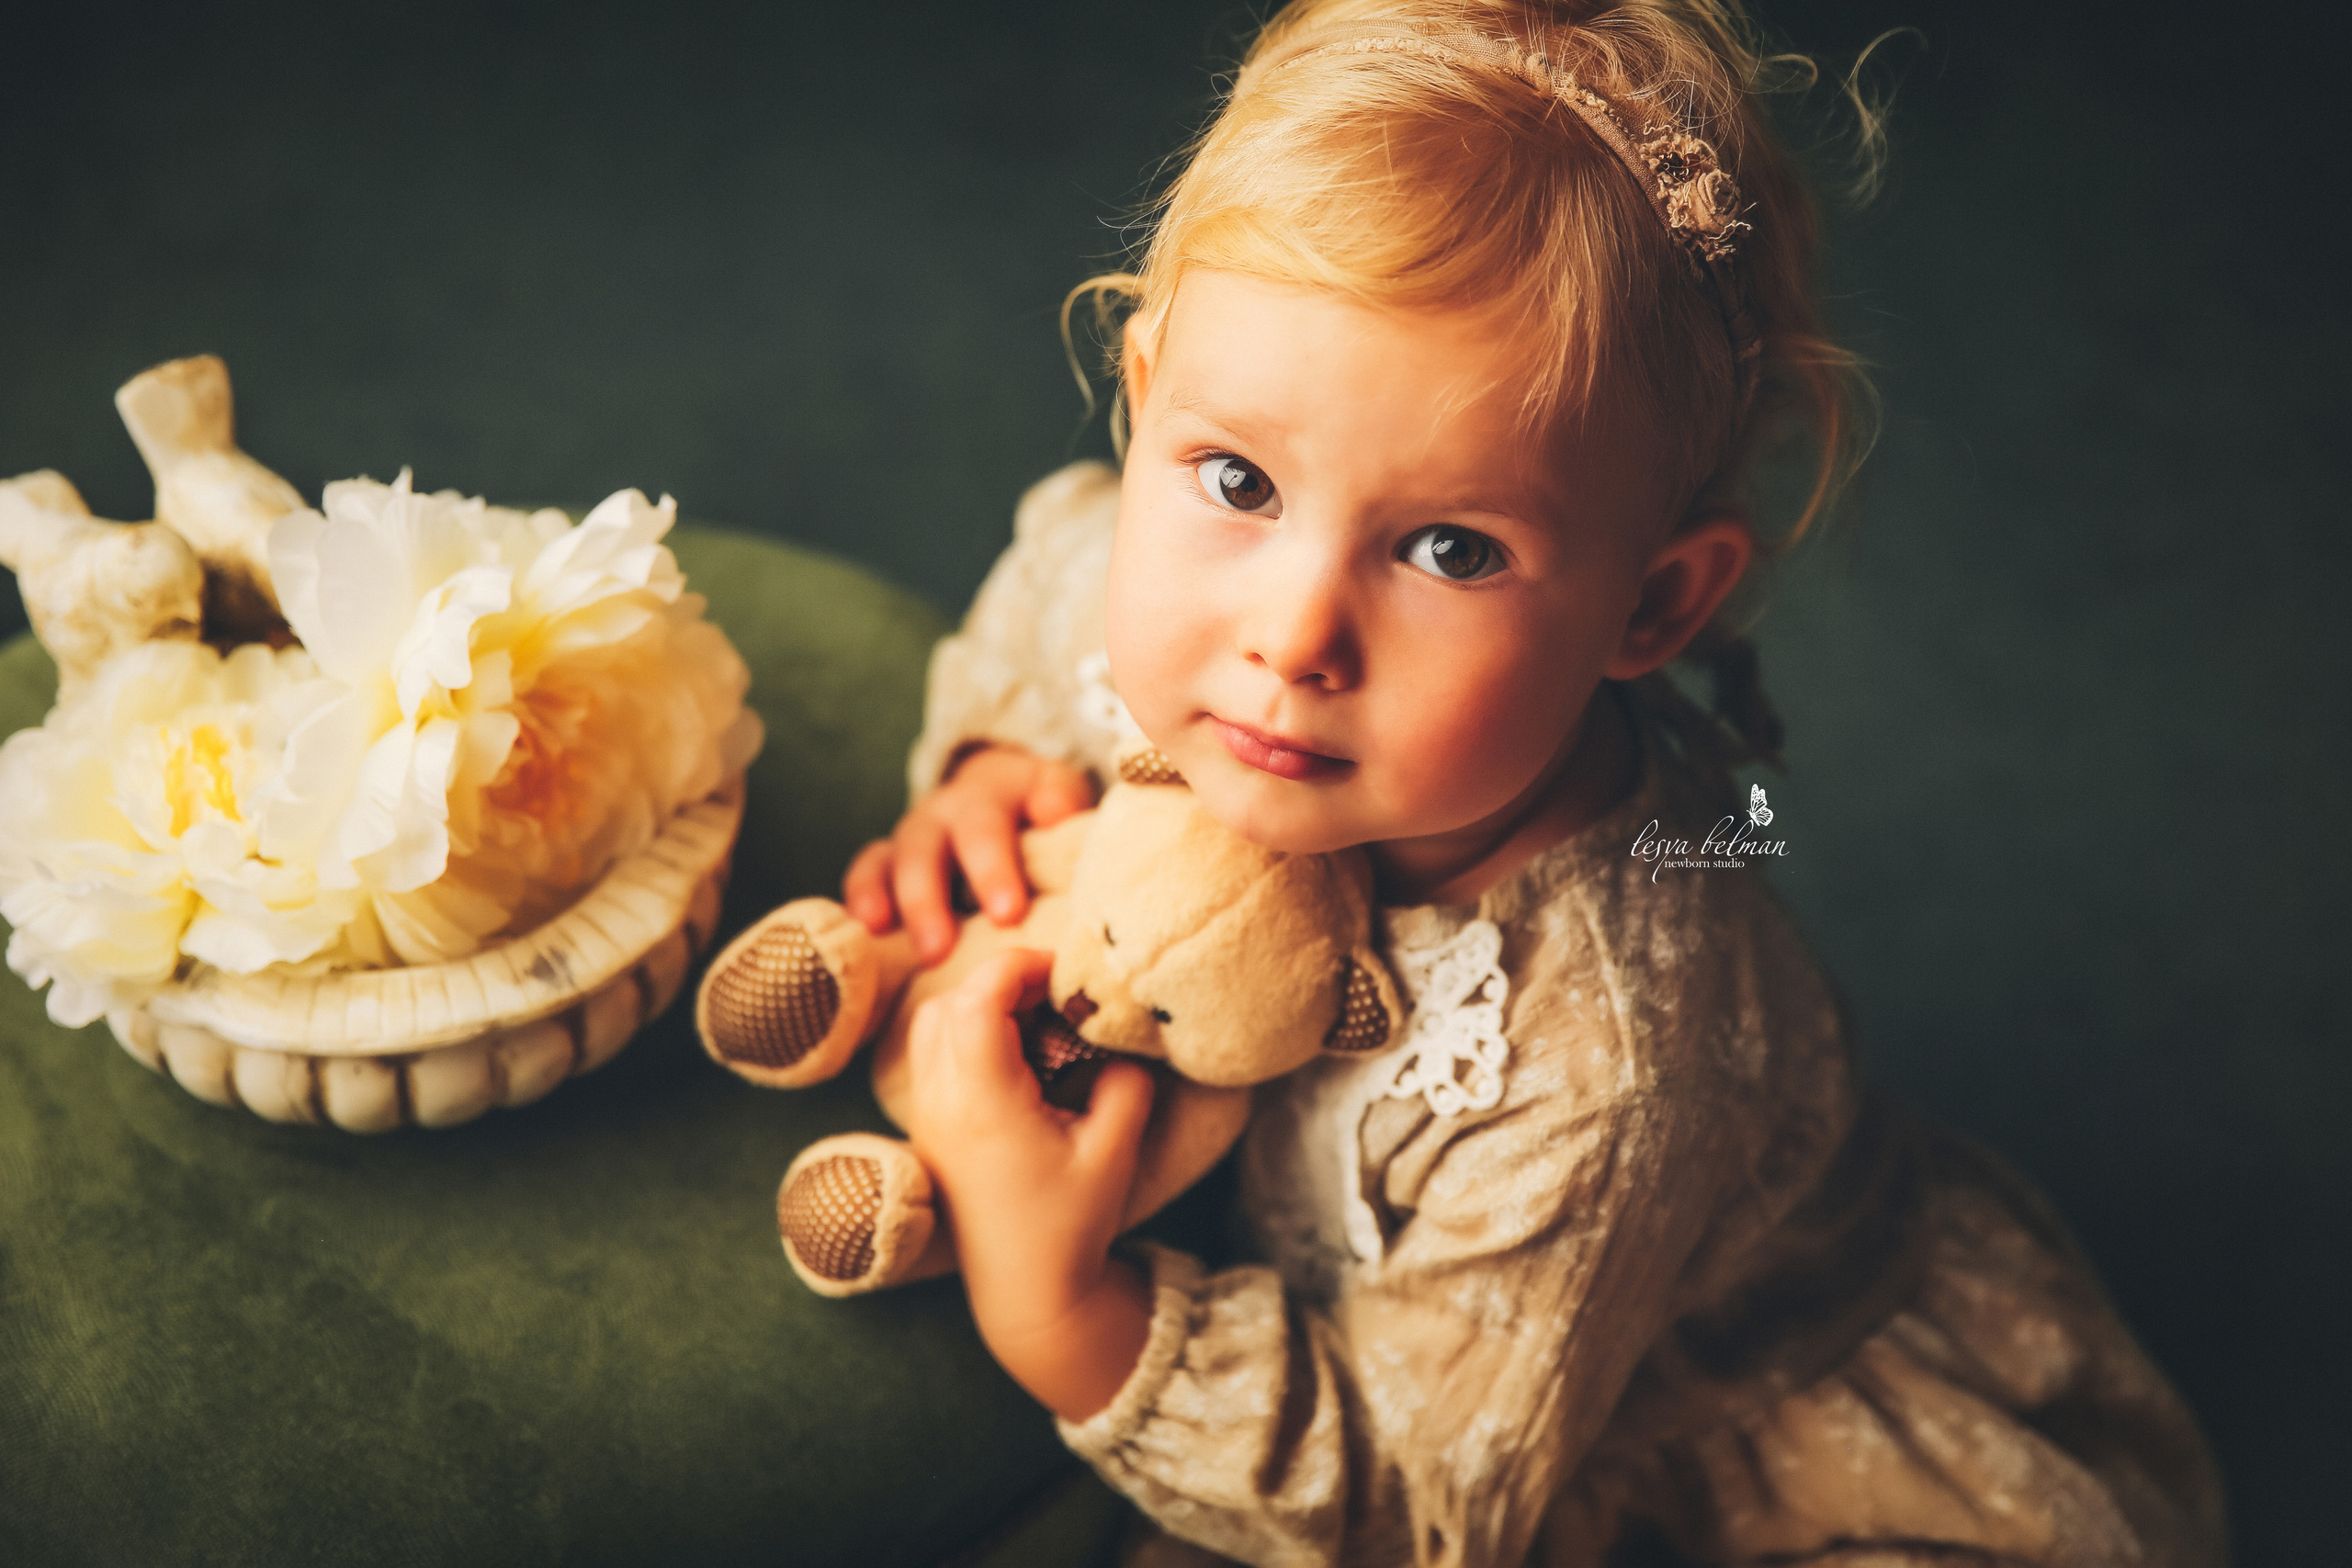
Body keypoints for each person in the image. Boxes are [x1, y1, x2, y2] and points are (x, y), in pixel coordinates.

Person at [844, 3, 2228, 1562]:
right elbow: (1054, 574)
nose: (1291, 637)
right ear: (1151, 393)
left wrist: (1066, 1311)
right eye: (1238, 480)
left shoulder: (1607, 1059)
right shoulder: (1157, 576)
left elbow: (1429, 1500)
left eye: (1452, 551)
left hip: (1689, 1421)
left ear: (1651, 605)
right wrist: (994, 757)